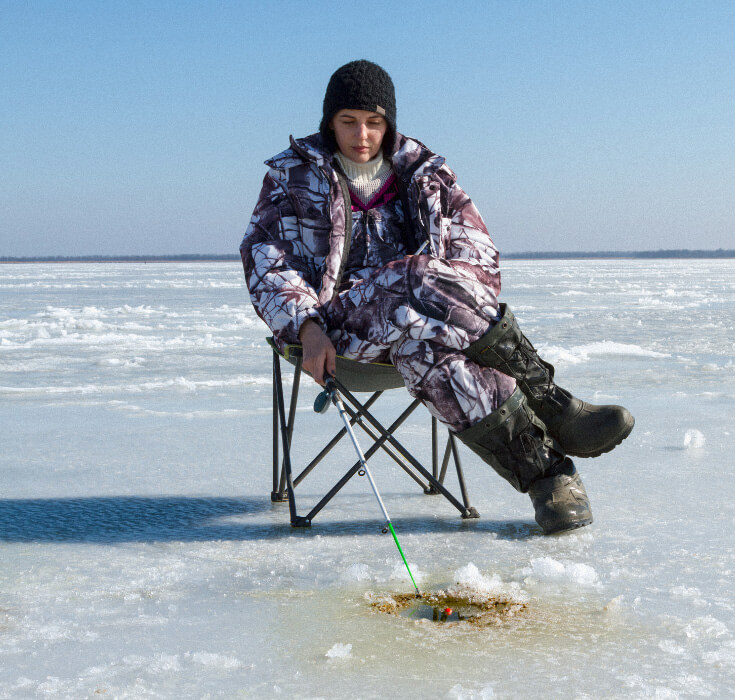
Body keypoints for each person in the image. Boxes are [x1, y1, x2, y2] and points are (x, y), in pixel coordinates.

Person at [240, 60, 633, 534]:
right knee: (416, 274)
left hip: (424, 328)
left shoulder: (427, 175)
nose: (362, 134)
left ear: (390, 124)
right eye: (348, 121)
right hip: (335, 332)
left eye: (374, 122)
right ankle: (551, 404)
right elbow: (266, 260)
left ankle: (550, 479)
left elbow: (479, 256)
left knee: (435, 357)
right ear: (329, 122)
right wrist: (305, 326)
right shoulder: (292, 178)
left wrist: (448, 303)